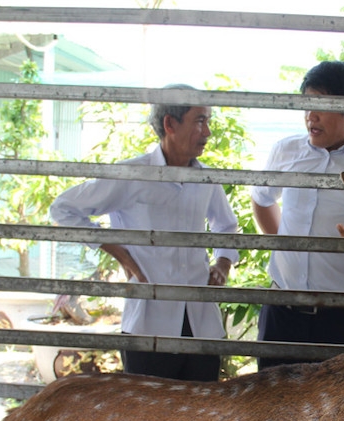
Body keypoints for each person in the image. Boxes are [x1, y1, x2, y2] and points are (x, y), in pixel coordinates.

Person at [50, 84, 239, 382]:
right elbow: (63, 208)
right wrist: (116, 249)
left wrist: (222, 264)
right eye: (200, 121)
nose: (208, 133)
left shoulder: (207, 179)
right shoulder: (132, 175)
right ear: (170, 124)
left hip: (202, 324)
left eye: (208, 121)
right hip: (149, 325)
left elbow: (227, 226)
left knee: (202, 420)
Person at [251, 61, 344, 370]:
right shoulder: (286, 151)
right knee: (272, 412)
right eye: (307, 106)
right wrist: (284, 246)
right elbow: (262, 200)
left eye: (321, 106)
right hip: (281, 312)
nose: (311, 116)